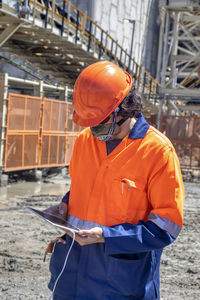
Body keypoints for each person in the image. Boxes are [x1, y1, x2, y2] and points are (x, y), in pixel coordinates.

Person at [47, 61, 185, 300]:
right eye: (90, 124)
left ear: (125, 109)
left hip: (120, 283)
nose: (94, 130)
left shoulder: (158, 151)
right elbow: (81, 191)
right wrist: (64, 207)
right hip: (71, 276)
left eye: (101, 123)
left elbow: (166, 227)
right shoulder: (84, 142)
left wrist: (106, 236)